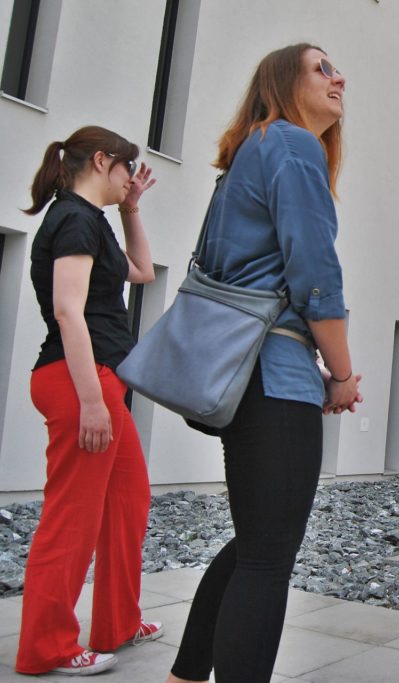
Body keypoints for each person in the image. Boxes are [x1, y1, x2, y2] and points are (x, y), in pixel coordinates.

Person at [168, 44, 361, 683]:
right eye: (321, 68)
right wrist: (341, 374)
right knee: (267, 559)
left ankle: (184, 676)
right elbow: (316, 277)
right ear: (282, 83)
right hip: (275, 378)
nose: (338, 77)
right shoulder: (293, 145)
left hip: (240, 372)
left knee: (255, 545)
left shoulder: (249, 153)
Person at [17, 126, 162, 676]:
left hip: (98, 381)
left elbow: (142, 271)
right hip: (81, 382)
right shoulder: (74, 219)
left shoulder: (92, 220)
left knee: (129, 498)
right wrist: (93, 401)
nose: (130, 178)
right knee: (71, 517)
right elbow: (67, 310)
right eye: (127, 168)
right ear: (102, 161)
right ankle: (46, 648)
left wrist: (131, 210)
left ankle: (118, 622)